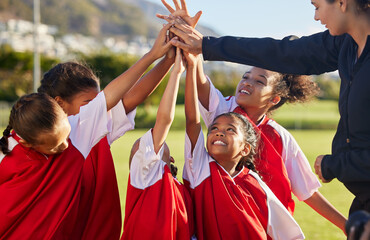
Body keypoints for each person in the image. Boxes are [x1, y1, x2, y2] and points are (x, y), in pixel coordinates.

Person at [162, 0, 370, 215]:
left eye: (317, 7)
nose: (316, 17)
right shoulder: (345, 45)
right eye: (246, 76)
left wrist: (337, 165)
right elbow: (283, 52)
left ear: (342, 3)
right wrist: (199, 43)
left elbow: (306, 191)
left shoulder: (280, 137)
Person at [0, 22, 174, 239]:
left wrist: (166, 59)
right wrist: (153, 56)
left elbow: (124, 98)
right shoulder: (68, 132)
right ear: (59, 104)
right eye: (89, 102)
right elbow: (110, 98)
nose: (101, 107)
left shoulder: (80, 132)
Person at [182, 46, 304, 240]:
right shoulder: (223, 111)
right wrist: (193, 52)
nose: (247, 83)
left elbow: (305, 196)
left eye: (259, 81)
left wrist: (344, 224)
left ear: (274, 99)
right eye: (245, 77)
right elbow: (193, 114)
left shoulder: (277, 140)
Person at [121, 48, 195, 240]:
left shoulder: (179, 187)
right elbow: (164, 120)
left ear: (169, 159)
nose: (141, 148)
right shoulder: (145, 175)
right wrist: (176, 73)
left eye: (139, 146)